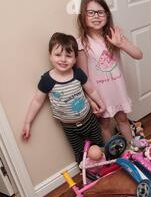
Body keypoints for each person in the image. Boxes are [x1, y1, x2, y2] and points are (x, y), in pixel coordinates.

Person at [22, 33, 106, 163]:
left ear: (74, 58)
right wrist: (28, 123)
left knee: (99, 146)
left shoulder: (77, 73)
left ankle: (105, 168)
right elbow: (37, 101)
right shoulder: (47, 80)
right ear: (50, 55)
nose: (63, 59)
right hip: (69, 127)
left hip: (89, 119)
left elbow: (91, 90)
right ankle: (88, 174)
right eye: (58, 55)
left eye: (68, 55)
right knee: (80, 154)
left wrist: (101, 104)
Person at [76, 0, 143, 144]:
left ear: (107, 15)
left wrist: (121, 44)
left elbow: (138, 55)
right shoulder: (81, 43)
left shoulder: (114, 35)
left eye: (100, 12)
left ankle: (132, 149)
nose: (96, 16)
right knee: (104, 124)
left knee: (122, 118)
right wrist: (90, 100)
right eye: (91, 12)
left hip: (117, 88)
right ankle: (113, 154)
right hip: (99, 93)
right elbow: (83, 77)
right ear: (83, 16)